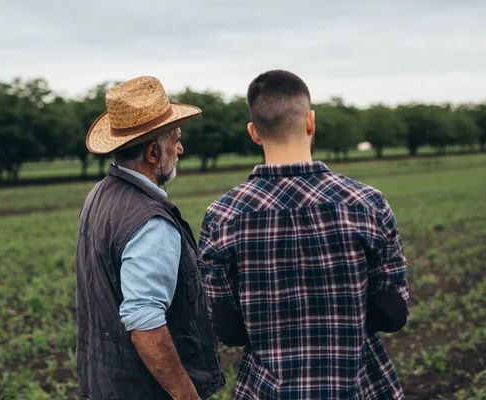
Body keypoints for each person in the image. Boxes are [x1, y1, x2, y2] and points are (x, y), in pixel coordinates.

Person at [198, 70, 409, 399]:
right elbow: (393, 314)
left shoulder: (223, 215)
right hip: (358, 387)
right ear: (311, 122)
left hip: (267, 390)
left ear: (254, 133)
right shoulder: (368, 203)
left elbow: (229, 329)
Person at [76, 76, 225, 400]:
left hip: (105, 385)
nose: (181, 149)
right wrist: (187, 396)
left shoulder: (98, 195)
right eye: (176, 140)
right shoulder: (150, 222)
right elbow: (145, 323)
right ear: (154, 152)